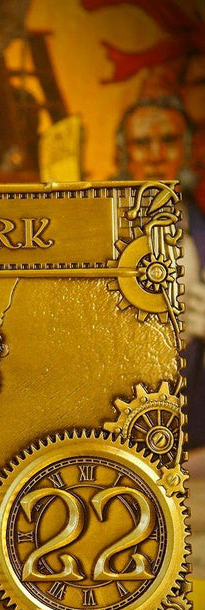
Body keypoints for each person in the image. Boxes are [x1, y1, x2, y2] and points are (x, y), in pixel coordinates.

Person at [117, 96, 205, 449]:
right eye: (142, 143)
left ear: (188, 150)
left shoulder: (200, 230)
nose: (155, 155)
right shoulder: (103, 237)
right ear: (124, 154)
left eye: (168, 140)